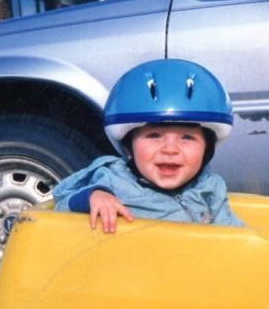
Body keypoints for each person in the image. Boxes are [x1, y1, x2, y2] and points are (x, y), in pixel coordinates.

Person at [52, 59, 244, 233]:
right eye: (154, 136)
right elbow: (59, 204)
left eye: (186, 137)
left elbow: (236, 238)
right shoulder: (111, 178)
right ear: (128, 147)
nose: (170, 149)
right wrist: (94, 196)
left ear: (206, 149)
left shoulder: (210, 187)